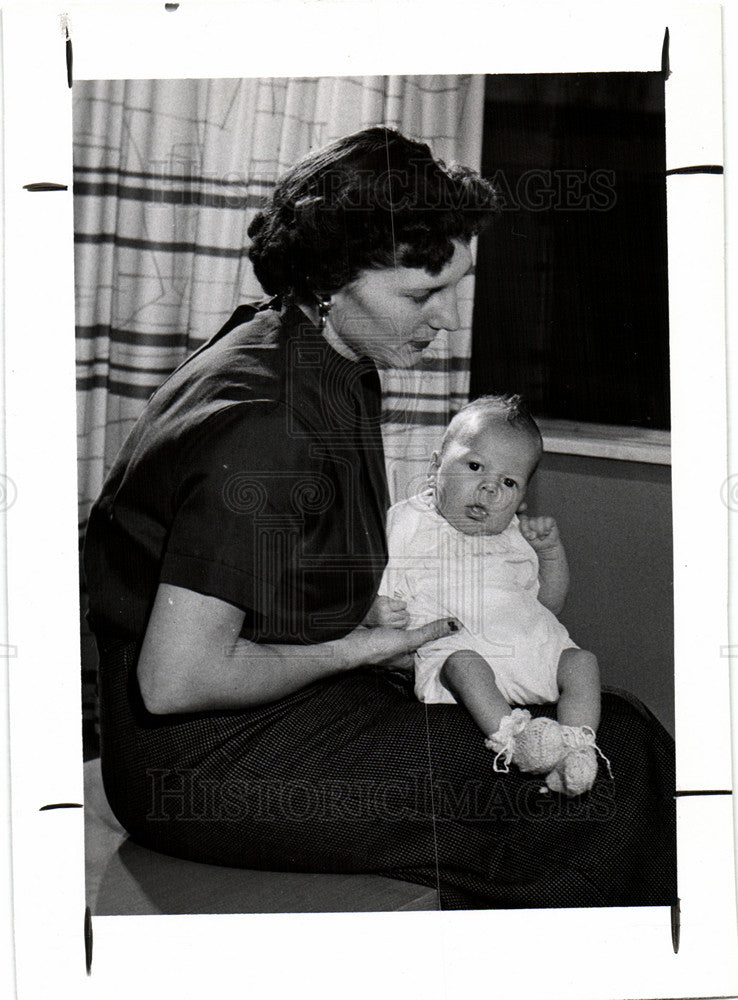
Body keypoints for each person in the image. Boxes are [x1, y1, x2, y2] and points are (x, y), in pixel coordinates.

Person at [84, 125, 676, 910]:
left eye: (452, 290)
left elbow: (282, 565)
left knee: (603, 729)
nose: (442, 322)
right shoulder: (269, 421)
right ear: (335, 275)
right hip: (204, 760)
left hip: (272, 707)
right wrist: (361, 649)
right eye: (421, 294)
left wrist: (372, 637)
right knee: (615, 768)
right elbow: (175, 679)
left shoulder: (321, 357)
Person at [374, 394, 605, 797]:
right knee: (463, 663)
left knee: (582, 663)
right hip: (462, 656)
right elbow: (376, 580)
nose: (489, 488)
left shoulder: (514, 537)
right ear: (434, 468)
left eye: (509, 482)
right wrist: (377, 610)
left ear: (520, 499)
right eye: (475, 466)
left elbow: (547, 607)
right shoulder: (408, 520)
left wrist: (550, 553)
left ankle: (575, 748)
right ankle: (518, 741)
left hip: (526, 652)